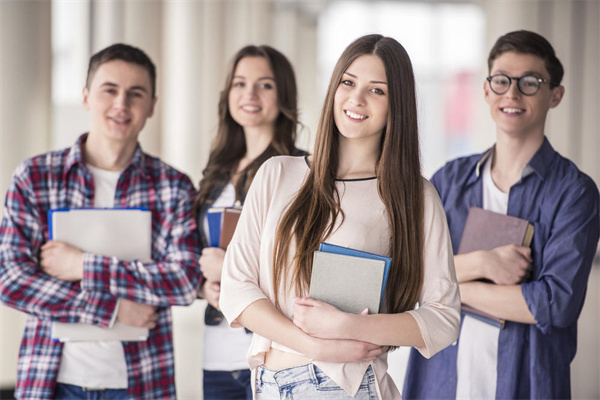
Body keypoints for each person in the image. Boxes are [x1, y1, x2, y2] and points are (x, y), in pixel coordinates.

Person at [219, 34, 460, 399]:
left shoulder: (414, 195)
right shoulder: (276, 173)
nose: (356, 99)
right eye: (348, 82)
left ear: (398, 105)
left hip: (346, 386)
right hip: (268, 383)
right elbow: (235, 288)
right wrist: (315, 345)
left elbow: (444, 319)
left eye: (377, 90)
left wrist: (348, 325)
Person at [403, 30, 600, 399]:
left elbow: (554, 304)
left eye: (530, 82)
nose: (512, 93)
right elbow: (409, 272)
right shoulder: (448, 181)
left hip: (527, 383)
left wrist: (451, 290)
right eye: (501, 80)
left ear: (555, 94)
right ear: (486, 90)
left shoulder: (574, 192)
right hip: (439, 380)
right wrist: (483, 262)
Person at [0, 43, 202, 399]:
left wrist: (81, 264)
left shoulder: (173, 186)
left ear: (152, 105)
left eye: (135, 93)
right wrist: (112, 309)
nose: (121, 104)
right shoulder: (34, 177)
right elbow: (11, 279)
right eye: (109, 90)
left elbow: (183, 281)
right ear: (86, 97)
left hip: (141, 383)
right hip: (50, 381)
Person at [194, 44, 305, 400]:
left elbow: (301, 268)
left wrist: (228, 270)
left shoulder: (301, 171)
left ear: (283, 94)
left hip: (271, 353)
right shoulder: (216, 172)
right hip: (217, 354)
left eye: (265, 85)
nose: (250, 94)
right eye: (240, 83)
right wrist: (205, 287)